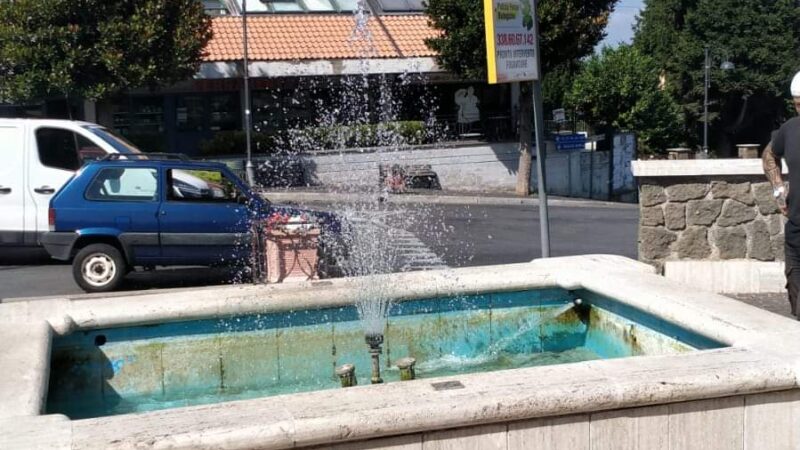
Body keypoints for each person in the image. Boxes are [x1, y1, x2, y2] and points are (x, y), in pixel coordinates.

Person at [762, 70, 800, 318]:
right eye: (797, 104)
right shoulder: (790, 129)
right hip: (796, 227)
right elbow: (769, 155)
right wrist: (778, 188)